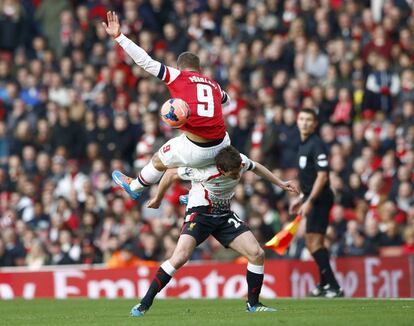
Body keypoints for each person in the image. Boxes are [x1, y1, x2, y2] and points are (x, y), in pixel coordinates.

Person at [129, 146, 298, 316]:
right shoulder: (203, 171)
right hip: (200, 214)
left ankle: (253, 304)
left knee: (257, 254)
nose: (238, 175)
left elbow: (257, 167)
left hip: (223, 214)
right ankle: (144, 303)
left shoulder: (239, 162)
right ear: (221, 170)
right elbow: (170, 173)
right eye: (233, 173)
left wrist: (281, 183)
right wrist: (158, 198)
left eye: (239, 170)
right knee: (180, 257)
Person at [102, 12, 231, 199]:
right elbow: (226, 100)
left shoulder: (178, 76)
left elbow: (145, 61)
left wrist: (119, 37)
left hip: (199, 148)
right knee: (193, 147)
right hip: (222, 145)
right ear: (199, 70)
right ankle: (201, 192)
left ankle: (136, 186)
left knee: (159, 159)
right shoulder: (213, 85)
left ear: (179, 67)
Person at [289, 108, 343, 298]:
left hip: (320, 200)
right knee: (315, 243)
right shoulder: (303, 145)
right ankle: (323, 284)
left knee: (314, 244)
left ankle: (335, 286)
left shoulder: (316, 144)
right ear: (297, 121)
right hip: (313, 198)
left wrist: (309, 201)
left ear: (314, 124)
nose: (304, 122)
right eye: (301, 118)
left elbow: (322, 176)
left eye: (308, 120)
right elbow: (310, 179)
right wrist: (301, 198)